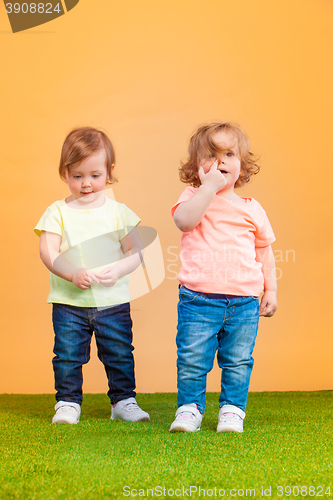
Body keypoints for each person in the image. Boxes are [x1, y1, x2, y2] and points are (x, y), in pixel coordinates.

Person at [35, 127, 150, 425]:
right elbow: (48, 252)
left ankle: (123, 401)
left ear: (109, 172)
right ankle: (67, 402)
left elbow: (136, 251)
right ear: (65, 172)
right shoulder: (57, 212)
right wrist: (71, 273)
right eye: (78, 176)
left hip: (112, 301)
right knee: (68, 355)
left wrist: (120, 269)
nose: (86, 184)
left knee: (120, 353)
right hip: (69, 302)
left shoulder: (119, 212)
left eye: (95, 176)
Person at [169, 122, 277, 433]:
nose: (220, 162)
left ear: (242, 165)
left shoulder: (252, 209)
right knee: (191, 359)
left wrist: (271, 288)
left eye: (229, 154)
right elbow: (184, 222)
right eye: (211, 155)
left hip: (243, 302)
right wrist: (206, 188)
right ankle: (189, 409)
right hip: (197, 299)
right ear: (196, 166)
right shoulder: (193, 196)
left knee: (239, 361)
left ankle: (232, 410)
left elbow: (265, 252)